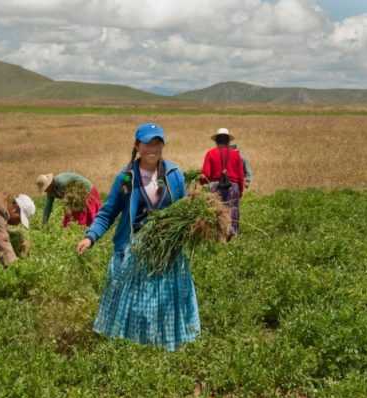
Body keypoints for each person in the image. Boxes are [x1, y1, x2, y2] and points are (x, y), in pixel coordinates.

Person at [76, 122, 200, 351]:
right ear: (137, 145)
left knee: (165, 300)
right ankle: (132, 347)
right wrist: (90, 236)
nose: (152, 148)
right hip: (134, 249)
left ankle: (165, 345)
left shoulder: (174, 174)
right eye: (147, 143)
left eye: (157, 143)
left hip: (166, 251)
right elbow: (108, 212)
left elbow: (183, 208)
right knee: (135, 303)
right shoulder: (126, 179)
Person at [200, 127, 245, 237]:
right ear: (228, 141)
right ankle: (232, 234)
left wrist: (201, 183)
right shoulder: (235, 154)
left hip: (215, 187)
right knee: (232, 211)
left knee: (216, 212)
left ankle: (218, 235)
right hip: (233, 187)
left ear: (216, 141)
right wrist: (240, 190)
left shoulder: (210, 154)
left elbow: (205, 174)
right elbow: (240, 175)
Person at [36, 172, 101, 228]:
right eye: (45, 189)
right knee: (71, 218)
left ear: (50, 183)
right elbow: (48, 207)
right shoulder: (50, 191)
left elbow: (72, 202)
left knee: (84, 215)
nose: (46, 190)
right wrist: (44, 224)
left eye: (47, 187)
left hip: (86, 192)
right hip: (74, 199)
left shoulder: (62, 182)